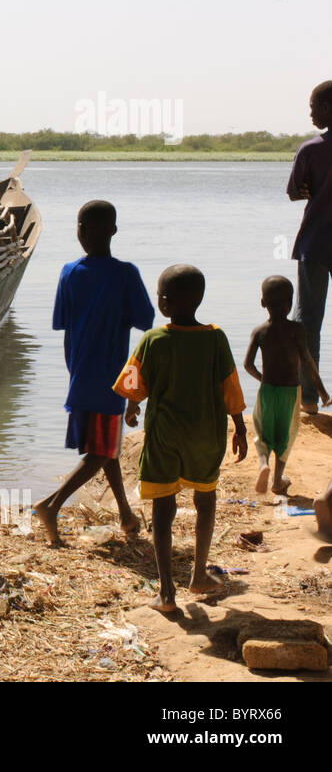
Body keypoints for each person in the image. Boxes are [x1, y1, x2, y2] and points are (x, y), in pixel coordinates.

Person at [114, 265, 247, 612]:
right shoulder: (216, 338)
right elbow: (230, 387)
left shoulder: (154, 340)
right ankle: (199, 574)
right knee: (205, 501)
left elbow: (132, 383)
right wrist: (241, 428)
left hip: (165, 437)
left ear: (165, 303)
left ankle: (167, 590)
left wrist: (131, 408)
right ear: (199, 299)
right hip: (207, 436)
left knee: (163, 508)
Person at [33, 201, 153, 545]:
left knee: (106, 446)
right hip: (111, 377)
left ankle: (126, 515)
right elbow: (145, 322)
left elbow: (63, 323)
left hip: (81, 372)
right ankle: (51, 504)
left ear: (80, 230)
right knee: (103, 450)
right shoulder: (126, 273)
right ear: (113, 231)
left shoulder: (69, 271)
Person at [243, 275, 329, 496]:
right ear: (290, 303)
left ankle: (263, 463)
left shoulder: (259, 331)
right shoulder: (297, 330)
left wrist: (263, 379)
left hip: (267, 390)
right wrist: (322, 391)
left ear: (262, 302)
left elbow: (247, 365)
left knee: (263, 432)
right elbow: (308, 361)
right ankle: (277, 479)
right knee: (286, 435)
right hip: (291, 392)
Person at [287, 80, 332, 413]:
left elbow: (294, 191)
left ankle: (308, 399)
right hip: (317, 244)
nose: (311, 113)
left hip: (316, 243)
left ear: (327, 109)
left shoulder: (311, 149)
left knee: (307, 322)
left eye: (313, 107)